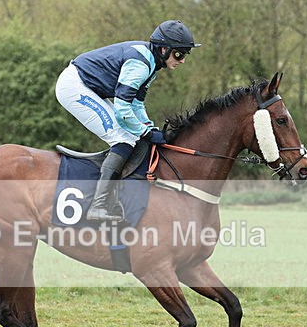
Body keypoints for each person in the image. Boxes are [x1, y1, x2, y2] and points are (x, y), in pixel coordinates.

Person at [55, 20, 200, 221]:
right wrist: (145, 133)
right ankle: (98, 205)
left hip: (88, 87)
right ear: (164, 49)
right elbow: (122, 109)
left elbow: (136, 105)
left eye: (185, 55)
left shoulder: (151, 64)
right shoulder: (140, 64)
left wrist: (150, 127)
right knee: (123, 138)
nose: (182, 60)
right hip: (74, 86)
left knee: (131, 135)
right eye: (179, 54)